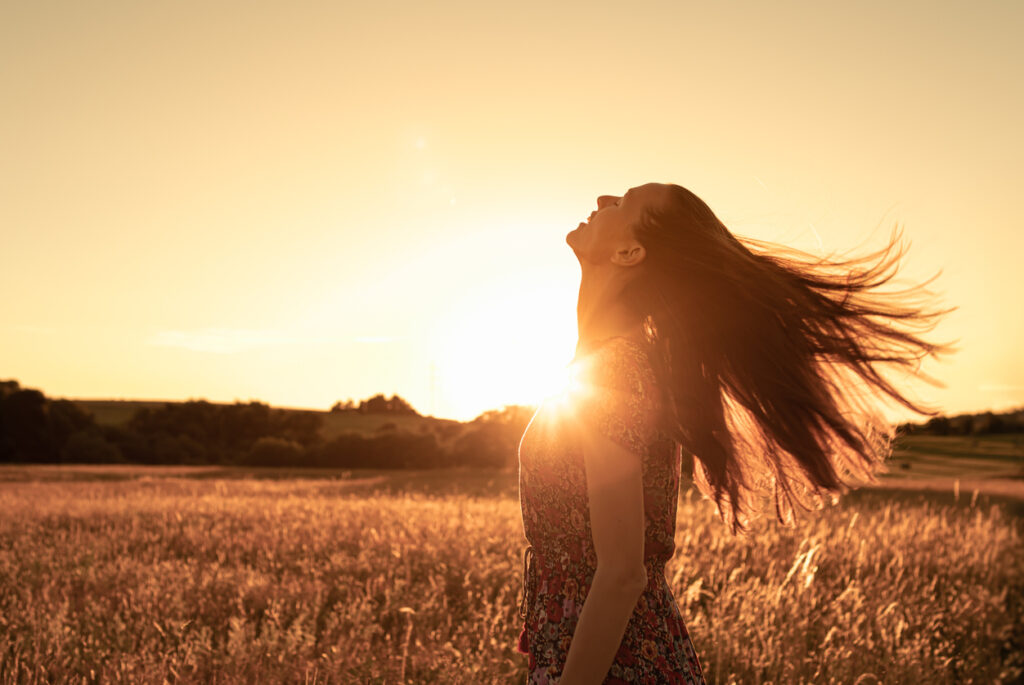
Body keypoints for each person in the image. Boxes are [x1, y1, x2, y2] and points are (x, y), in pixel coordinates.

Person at [515, 182, 952, 684]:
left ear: (630, 252)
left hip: (618, 666)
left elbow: (621, 574)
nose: (602, 200)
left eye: (624, 203)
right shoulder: (606, 365)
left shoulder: (613, 372)